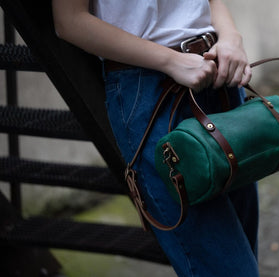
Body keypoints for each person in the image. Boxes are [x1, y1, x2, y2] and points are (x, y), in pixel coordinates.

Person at [52, 1, 259, 276]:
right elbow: (69, 21)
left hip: (218, 73)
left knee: (244, 249)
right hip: (150, 89)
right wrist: (172, 60)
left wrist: (232, 39)